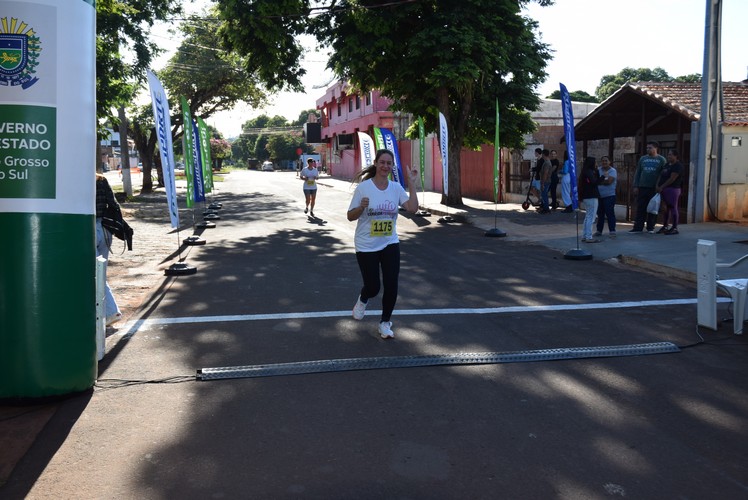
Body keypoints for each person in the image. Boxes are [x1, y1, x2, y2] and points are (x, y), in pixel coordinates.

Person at [347, 149, 419, 339]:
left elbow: (412, 208)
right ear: (376, 164)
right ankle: (363, 298)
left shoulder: (395, 188)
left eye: (389, 163)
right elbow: (349, 216)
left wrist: (411, 184)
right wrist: (361, 208)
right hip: (366, 245)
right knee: (373, 287)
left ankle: (385, 323)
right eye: (382, 162)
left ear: (391, 166)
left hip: (389, 242)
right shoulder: (364, 188)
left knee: (392, 284)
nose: (385, 166)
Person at [95, 173, 122, 326]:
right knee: (100, 273)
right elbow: (113, 204)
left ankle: (111, 312)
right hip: (105, 230)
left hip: (87, 228)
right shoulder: (101, 180)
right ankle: (104, 312)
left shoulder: (75, 182)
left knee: (95, 275)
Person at [630, 141, 666, 233]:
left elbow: (663, 174)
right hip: (642, 187)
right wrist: (636, 185)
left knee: (652, 208)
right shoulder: (643, 159)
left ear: (655, 148)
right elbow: (638, 173)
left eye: (650, 148)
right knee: (641, 207)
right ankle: (638, 227)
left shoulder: (661, 159)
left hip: (654, 188)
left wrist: (660, 186)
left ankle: (650, 227)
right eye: (647, 148)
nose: (648, 149)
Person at [656, 149, 684, 235]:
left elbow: (672, 178)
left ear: (676, 156)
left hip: (673, 189)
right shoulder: (667, 165)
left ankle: (674, 227)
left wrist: (662, 186)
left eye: (671, 155)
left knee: (673, 207)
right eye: (668, 155)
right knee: (665, 209)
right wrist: (657, 185)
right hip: (663, 189)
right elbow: (661, 175)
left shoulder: (677, 166)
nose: (669, 156)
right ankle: (665, 226)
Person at [579, 157, 601, 243]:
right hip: (591, 196)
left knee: (588, 216)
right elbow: (594, 182)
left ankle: (585, 235)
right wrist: (602, 177)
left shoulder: (585, 171)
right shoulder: (589, 172)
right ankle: (588, 236)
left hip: (586, 196)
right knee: (591, 217)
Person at [594, 156, 617, 238]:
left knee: (610, 213)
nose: (604, 162)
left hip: (609, 195)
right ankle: (599, 231)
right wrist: (600, 181)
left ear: (610, 162)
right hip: (599, 196)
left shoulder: (613, 171)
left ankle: (612, 231)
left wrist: (600, 181)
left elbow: (609, 182)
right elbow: (595, 181)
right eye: (603, 161)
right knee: (600, 214)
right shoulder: (598, 170)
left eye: (606, 161)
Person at [538, 149, 552, 213]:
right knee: (544, 195)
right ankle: (545, 208)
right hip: (547, 181)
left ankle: (546, 209)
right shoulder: (547, 162)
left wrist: (543, 183)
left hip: (545, 181)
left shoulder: (546, 163)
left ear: (543, 154)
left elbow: (545, 173)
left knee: (544, 195)